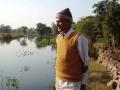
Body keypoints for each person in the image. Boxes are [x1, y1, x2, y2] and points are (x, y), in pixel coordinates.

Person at [55, 8, 89, 90]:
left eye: (60, 21)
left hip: (72, 83)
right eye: (57, 22)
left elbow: (85, 64)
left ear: (69, 22)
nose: (57, 24)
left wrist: (83, 83)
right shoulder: (58, 37)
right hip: (58, 80)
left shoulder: (79, 39)